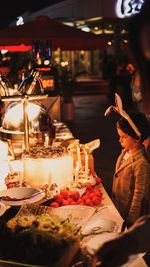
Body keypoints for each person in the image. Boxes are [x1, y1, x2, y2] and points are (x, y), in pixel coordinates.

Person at [112, 112, 150, 227]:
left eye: (123, 137)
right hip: (118, 208)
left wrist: (131, 220)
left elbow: (139, 196)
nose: (120, 140)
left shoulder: (141, 164)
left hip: (128, 215)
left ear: (137, 138)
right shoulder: (125, 152)